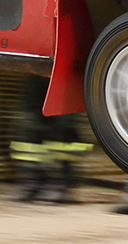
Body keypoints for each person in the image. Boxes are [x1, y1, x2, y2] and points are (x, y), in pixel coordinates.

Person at [11, 75, 90, 203]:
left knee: (63, 127)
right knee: (31, 124)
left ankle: (61, 183)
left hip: (65, 72)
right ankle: (31, 182)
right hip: (38, 68)